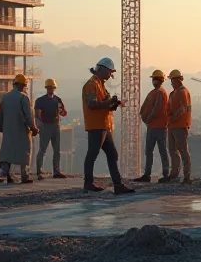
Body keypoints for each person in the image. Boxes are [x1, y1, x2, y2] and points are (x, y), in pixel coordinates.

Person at [81, 57, 135, 195]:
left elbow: (105, 105)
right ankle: (89, 183)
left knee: (112, 154)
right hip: (96, 126)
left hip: (104, 126)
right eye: (110, 72)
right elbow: (92, 104)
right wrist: (109, 102)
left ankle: (118, 185)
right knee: (92, 154)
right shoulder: (91, 84)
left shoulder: (100, 84)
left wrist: (113, 104)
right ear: (103, 69)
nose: (111, 75)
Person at [0, 74, 38, 184]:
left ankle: (8, 175)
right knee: (24, 153)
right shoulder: (23, 97)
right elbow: (29, 115)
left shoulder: (6, 97)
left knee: (8, 152)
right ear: (22, 85)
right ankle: (25, 176)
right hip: (21, 130)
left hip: (8, 130)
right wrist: (33, 128)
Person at [134, 70, 170, 183]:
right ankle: (147, 174)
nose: (154, 81)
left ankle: (165, 174)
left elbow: (157, 108)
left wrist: (148, 118)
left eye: (156, 79)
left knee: (162, 151)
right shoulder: (153, 92)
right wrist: (145, 118)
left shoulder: (160, 93)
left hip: (159, 127)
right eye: (154, 79)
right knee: (149, 151)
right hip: (152, 127)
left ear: (160, 80)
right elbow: (144, 107)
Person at [34, 78, 68, 179]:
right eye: (49, 87)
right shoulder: (40, 101)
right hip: (46, 126)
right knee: (42, 149)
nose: (50, 89)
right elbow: (37, 114)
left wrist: (61, 111)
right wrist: (40, 125)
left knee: (57, 150)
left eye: (52, 87)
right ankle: (39, 171)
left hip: (55, 126)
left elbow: (63, 113)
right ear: (46, 88)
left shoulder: (57, 100)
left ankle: (56, 171)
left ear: (54, 88)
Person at [165, 69, 193, 184]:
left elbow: (182, 109)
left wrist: (172, 118)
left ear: (176, 80)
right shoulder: (173, 93)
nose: (171, 82)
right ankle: (174, 174)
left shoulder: (182, 92)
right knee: (172, 150)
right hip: (172, 126)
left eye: (171, 80)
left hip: (180, 126)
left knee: (183, 151)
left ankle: (187, 177)